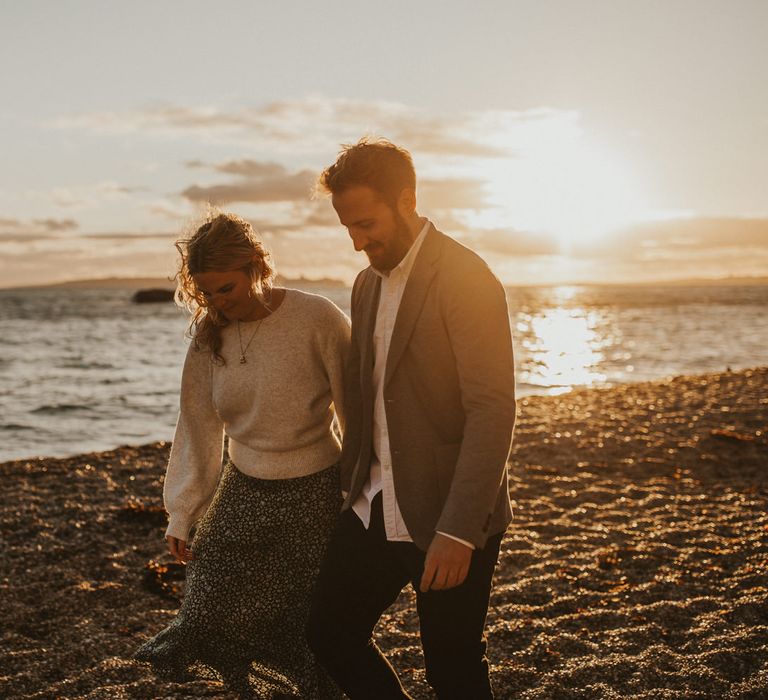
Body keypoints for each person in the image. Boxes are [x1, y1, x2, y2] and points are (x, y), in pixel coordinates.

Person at [306, 138, 517, 699]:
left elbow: (493, 409)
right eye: (347, 227)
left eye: (366, 223)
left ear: (406, 201)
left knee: (453, 670)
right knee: (328, 631)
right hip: (375, 503)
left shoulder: (467, 277)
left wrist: (458, 531)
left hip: (449, 513)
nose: (357, 241)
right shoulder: (365, 284)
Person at [134, 212, 348, 699]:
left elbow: (353, 408)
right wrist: (183, 512)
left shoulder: (318, 318)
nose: (216, 303)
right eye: (205, 293)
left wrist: (356, 490)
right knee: (205, 604)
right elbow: (197, 427)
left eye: (225, 289)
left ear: (256, 268)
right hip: (244, 481)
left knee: (293, 611)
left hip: (314, 485)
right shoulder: (210, 338)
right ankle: (248, 686)